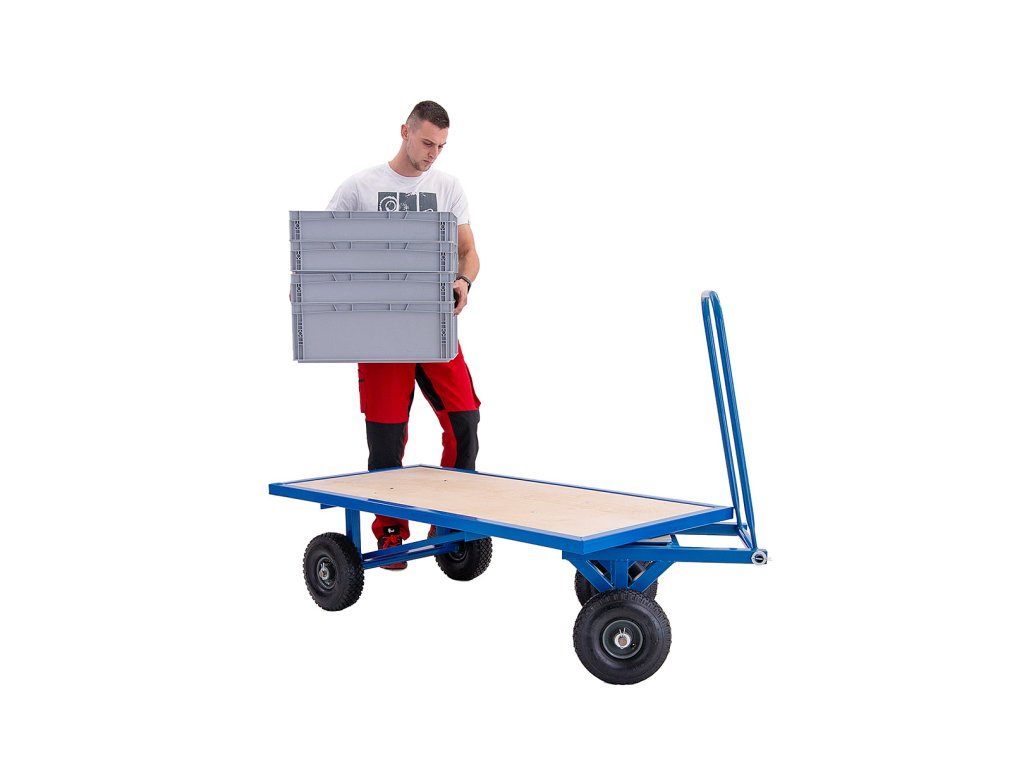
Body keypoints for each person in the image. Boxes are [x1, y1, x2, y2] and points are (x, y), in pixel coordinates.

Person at [325, 101, 481, 570]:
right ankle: (390, 531)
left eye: (441, 146)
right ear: (405, 132)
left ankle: (449, 520)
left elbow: (469, 252)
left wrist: (464, 280)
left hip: (433, 326)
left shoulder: (448, 187)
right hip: (381, 333)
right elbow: (321, 250)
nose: (433, 153)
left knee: (465, 422)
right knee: (387, 439)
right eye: (427, 142)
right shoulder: (360, 188)